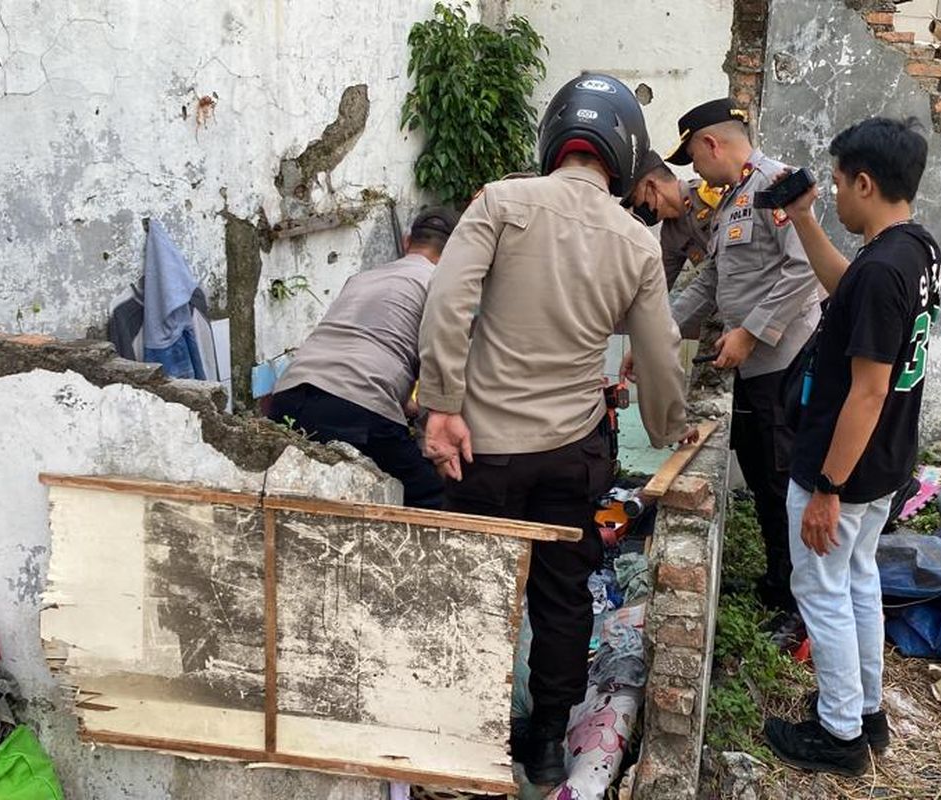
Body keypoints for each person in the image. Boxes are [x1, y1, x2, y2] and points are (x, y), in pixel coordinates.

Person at [416, 73, 695, 787]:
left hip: (484, 451)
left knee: (478, 585)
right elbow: (660, 350)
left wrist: (442, 404)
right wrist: (668, 428)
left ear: (554, 139)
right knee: (563, 596)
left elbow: (448, 300)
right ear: (625, 157)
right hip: (574, 453)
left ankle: (464, 735)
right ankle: (545, 742)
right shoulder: (634, 241)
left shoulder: (501, 202)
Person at [762, 117, 941, 776]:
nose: (835, 195)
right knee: (857, 579)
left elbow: (865, 392)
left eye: (838, 184)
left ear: (864, 182)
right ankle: (867, 712)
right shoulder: (914, 251)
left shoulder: (883, 270)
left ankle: (839, 734)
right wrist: (806, 219)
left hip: (847, 464)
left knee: (821, 589)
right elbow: (849, 292)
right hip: (886, 460)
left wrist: (826, 489)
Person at [627, 98, 822, 614]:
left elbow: (803, 270)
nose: (693, 170)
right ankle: (778, 582)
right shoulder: (736, 196)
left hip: (786, 360)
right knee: (761, 475)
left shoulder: (779, 184)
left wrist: (751, 334)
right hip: (757, 366)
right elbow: (712, 280)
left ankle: (798, 603)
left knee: (782, 482)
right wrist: (655, 332)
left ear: (712, 143)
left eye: (693, 156)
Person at [267, 207, 459, 509]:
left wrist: (402, 404)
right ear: (454, 256)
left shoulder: (361, 277)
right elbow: (437, 370)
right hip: (359, 407)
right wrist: (433, 446)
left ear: (407, 242)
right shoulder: (440, 285)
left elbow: (364, 350)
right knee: (429, 498)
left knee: (300, 499)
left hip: (289, 393)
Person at [623, 149, 722, 289]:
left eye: (635, 199)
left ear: (651, 186)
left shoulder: (709, 194)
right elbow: (660, 286)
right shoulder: (670, 236)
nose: (636, 208)